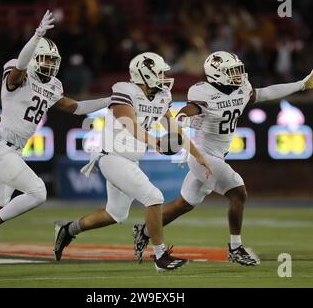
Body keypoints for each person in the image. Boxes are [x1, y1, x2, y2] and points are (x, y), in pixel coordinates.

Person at [0, 10, 110, 278]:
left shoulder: (53, 86)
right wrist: (37, 35)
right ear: (32, 58)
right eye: (44, 58)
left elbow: (76, 107)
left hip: (11, 151)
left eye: (53, 60)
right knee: (38, 193)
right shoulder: (18, 75)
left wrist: (108, 101)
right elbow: (18, 68)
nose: (50, 65)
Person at [132, 51, 313, 266]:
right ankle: (235, 248)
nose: (238, 75)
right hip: (203, 157)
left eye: (237, 70)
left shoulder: (242, 88)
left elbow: (265, 93)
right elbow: (188, 110)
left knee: (184, 204)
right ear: (217, 73)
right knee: (238, 193)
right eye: (231, 71)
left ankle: (144, 230)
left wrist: (301, 84)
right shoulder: (203, 92)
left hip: (217, 156)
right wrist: (179, 121)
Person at [53, 52, 212, 272]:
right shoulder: (124, 90)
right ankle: (160, 257)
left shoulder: (161, 96)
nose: (164, 76)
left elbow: (175, 132)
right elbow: (130, 125)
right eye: (159, 72)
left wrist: (198, 155)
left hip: (130, 160)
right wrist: (154, 141)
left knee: (115, 214)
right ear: (145, 73)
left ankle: (68, 230)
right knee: (154, 197)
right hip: (112, 157)